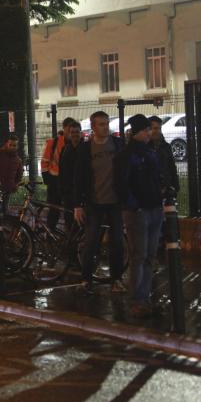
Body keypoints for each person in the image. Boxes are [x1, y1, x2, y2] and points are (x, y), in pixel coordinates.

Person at [73, 111, 126, 295]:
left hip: (115, 201)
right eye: (101, 124)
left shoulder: (118, 144)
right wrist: (78, 205)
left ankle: (116, 279)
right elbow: (79, 177)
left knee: (117, 242)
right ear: (93, 127)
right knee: (91, 242)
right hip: (94, 202)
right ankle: (86, 279)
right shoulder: (85, 149)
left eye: (107, 123)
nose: (105, 127)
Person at [118, 114, 165, 318]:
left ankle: (143, 298)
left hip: (153, 208)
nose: (150, 133)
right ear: (137, 132)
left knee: (149, 256)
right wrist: (134, 206)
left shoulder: (149, 151)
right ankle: (137, 300)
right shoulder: (128, 155)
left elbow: (157, 177)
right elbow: (122, 184)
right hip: (139, 211)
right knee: (140, 256)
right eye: (146, 130)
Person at [42, 119, 76, 230]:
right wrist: (47, 179)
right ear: (64, 128)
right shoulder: (53, 143)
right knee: (54, 210)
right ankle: (50, 233)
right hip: (55, 180)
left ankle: (68, 233)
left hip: (69, 181)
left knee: (69, 211)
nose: (71, 131)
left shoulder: (76, 142)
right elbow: (45, 161)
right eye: (69, 128)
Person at [58, 120, 83, 229]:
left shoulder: (86, 148)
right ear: (69, 133)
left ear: (81, 132)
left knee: (82, 221)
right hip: (68, 191)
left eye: (77, 132)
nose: (74, 134)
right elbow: (61, 169)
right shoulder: (65, 149)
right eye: (72, 132)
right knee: (69, 219)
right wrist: (62, 188)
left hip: (82, 192)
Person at [148, 115, 179, 198]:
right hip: (151, 192)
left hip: (167, 190)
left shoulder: (166, 146)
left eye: (160, 128)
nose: (158, 131)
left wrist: (175, 187)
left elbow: (172, 167)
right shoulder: (144, 148)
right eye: (155, 128)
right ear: (148, 130)